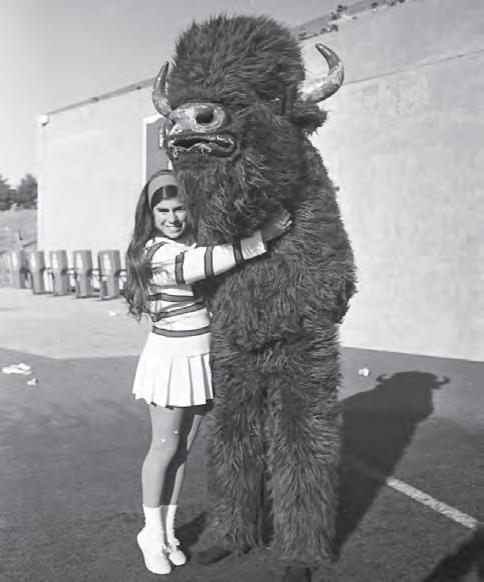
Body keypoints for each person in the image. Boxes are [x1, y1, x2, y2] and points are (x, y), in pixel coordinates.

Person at [124, 170, 291, 575]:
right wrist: (263, 236)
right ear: (150, 215)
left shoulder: (189, 241)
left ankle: (167, 532)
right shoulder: (156, 252)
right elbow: (205, 263)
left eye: (179, 209)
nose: (173, 218)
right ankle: (150, 534)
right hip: (170, 361)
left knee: (182, 450)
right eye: (163, 211)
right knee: (164, 447)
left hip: (200, 358)